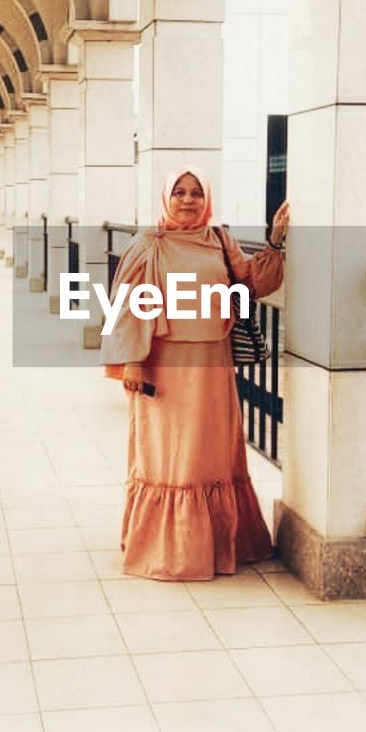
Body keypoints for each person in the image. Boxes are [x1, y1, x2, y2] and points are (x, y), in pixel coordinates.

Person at [100, 166, 288, 582]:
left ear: (207, 199)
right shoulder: (149, 243)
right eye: (180, 192)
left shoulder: (219, 240)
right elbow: (128, 305)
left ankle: (221, 545)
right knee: (171, 457)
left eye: (196, 192)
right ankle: (172, 549)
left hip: (214, 366)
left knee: (212, 454)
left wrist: (275, 240)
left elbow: (253, 282)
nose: (188, 200)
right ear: (165, 198)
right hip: (164, 368)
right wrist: (133, 361)